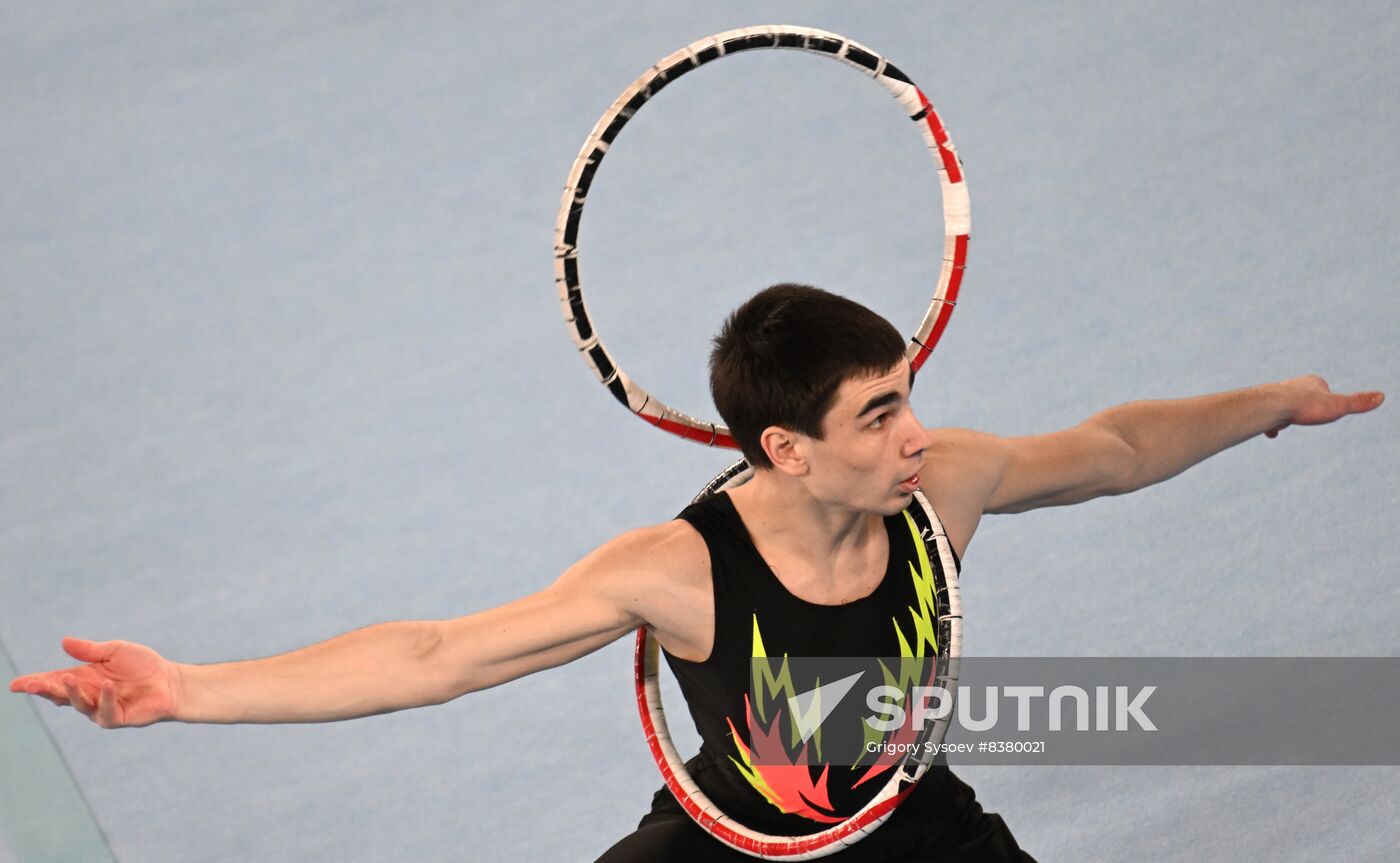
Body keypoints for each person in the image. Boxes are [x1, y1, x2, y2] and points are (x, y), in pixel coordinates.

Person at [9, 284, 1385, 861]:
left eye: (909, 396)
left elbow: (1118, 450)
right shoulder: (678, 571)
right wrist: (187, 687)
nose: (915, 434)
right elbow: (434, 657)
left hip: (912, 825)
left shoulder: (943, 483)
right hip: (734, 840)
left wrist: (1275, 400)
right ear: (786, 448)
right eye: (877, 417)